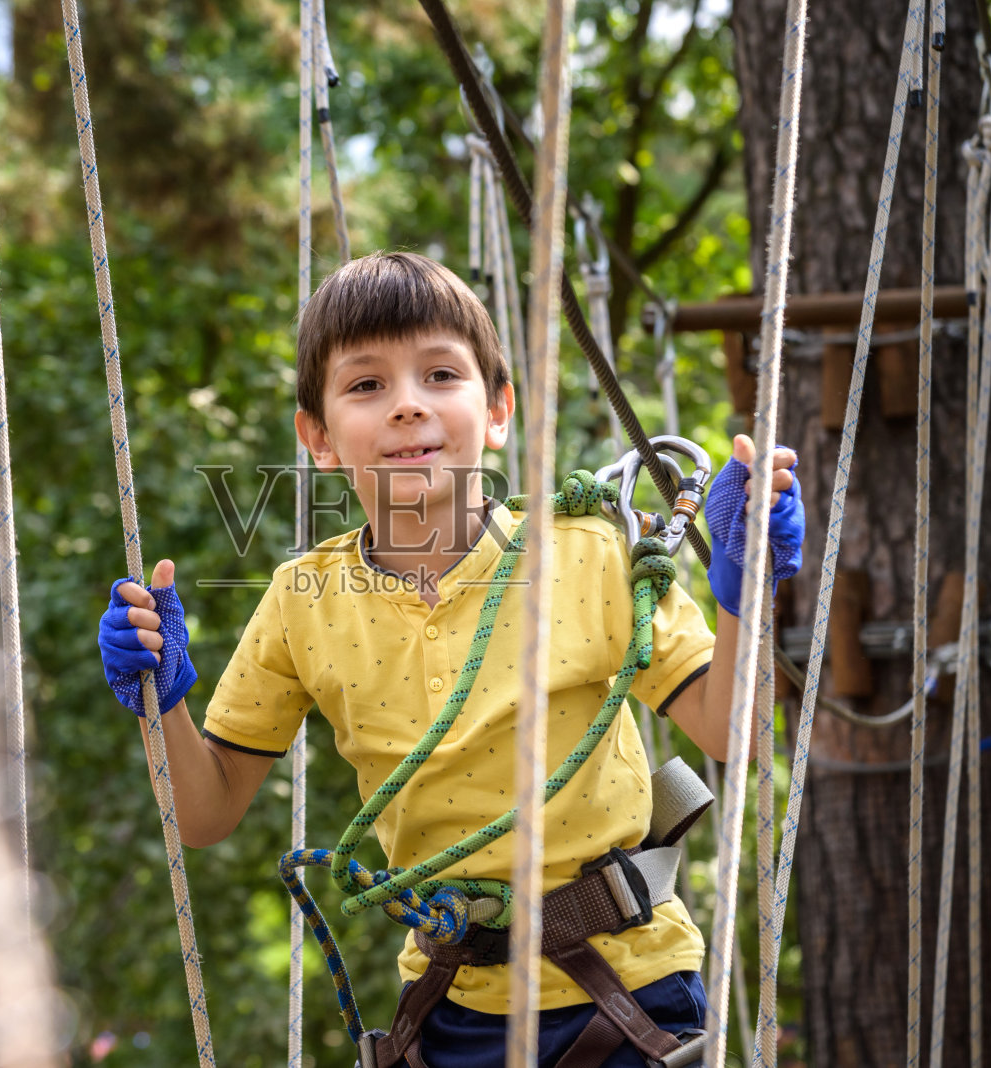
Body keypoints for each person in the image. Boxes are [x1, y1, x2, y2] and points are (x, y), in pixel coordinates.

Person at [98, 252, 804, 1067]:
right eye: (367, 385)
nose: (408, 405)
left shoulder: (590, 553)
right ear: (318, 437)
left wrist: (745, 593)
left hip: (630, 989)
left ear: (497, 409)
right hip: (449, 1009)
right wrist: (162, 700)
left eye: (440, 375)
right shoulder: (301, 600)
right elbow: (205, 814)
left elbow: (734, 733)